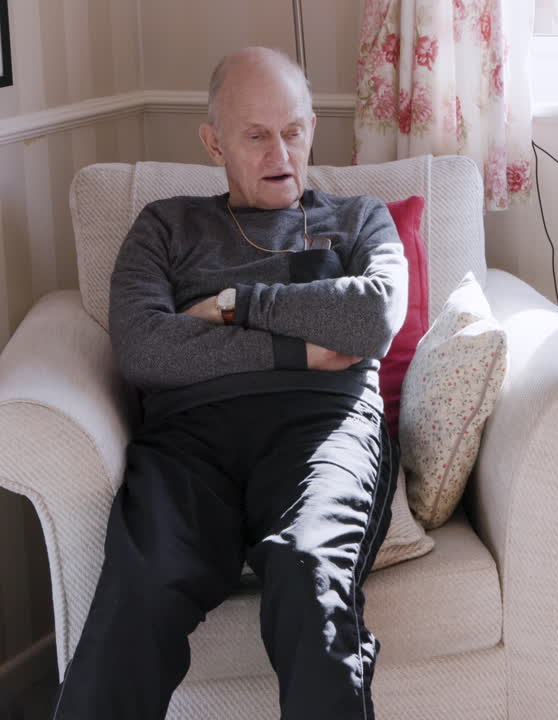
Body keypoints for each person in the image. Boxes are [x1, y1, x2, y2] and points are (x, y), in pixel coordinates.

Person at [49, 47, 408, 720]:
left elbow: (372, 315)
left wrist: (230, 307)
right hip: (189, 446)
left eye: (295, 130)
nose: (282, 152)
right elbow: (146, 347)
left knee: (307, 573)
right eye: (256, 134)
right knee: (140, 592)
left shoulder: (359, 219)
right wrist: (300, 349)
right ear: (213, 142)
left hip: (322, 434)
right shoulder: (165, 226)